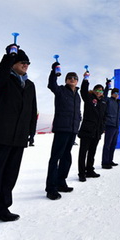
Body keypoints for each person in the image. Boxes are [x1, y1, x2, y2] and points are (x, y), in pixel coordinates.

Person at [0, 46, 37, 233]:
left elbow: (32, 110)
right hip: (1, 135)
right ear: (13, 64)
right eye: (22, 62)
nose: (25, 65)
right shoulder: (5, 79)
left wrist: (31, 132)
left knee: (10, 175)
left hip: (19, 137)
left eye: (27, 63)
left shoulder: (30, 85)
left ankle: (2, 209)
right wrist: (8, 56)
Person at [45, 68, 82, 201]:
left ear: (77, 81)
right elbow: (51, 84)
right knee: (55, 158)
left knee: (67, 157)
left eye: (74, 77)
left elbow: (78, 112)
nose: (72, 79)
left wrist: (78, 122)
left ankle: (61, 182)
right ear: (66, 80)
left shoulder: (77, 95)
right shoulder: (60, 90)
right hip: (62, 129)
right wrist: (54, 72)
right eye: (69, 77)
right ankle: (51, 188)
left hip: (72, 130)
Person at [78, 73, 107, 181]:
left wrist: (102, 128)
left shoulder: (103, 102)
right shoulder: (89, 98)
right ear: (94, 91)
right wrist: (86, 80)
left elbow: (104, 116)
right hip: (87, 130)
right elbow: (83, 91)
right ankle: (81, 173)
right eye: (98, 90)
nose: (99, 92)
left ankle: (89, 170)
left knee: (92, 152)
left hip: (97, 131)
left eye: (101, 91)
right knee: (83, 152)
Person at [102, 82, 120, 169]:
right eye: (115, 93)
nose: (117, 95)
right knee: (107, 144)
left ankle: (110, 160)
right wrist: (107, 87)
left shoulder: (118, 103)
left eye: (118, 93)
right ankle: (105, 162)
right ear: (112, 93)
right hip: (109, 125)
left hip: (116, 126)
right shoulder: (108, 100)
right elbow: (104, 97)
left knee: (113, 144)